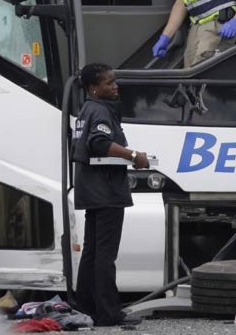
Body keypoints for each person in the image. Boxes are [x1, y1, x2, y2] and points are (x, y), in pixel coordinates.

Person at [72, 63, 149, 327]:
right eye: (109, 82)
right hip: (106, 192)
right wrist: (133, 155)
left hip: (91, 190)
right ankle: (108, 313)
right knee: (105, 255)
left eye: (115, 81)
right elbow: (99, 142)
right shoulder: (101, 110)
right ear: (94, 87)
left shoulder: (86, 109)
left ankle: (86, 309)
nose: (115, 86)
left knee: (91, 253)